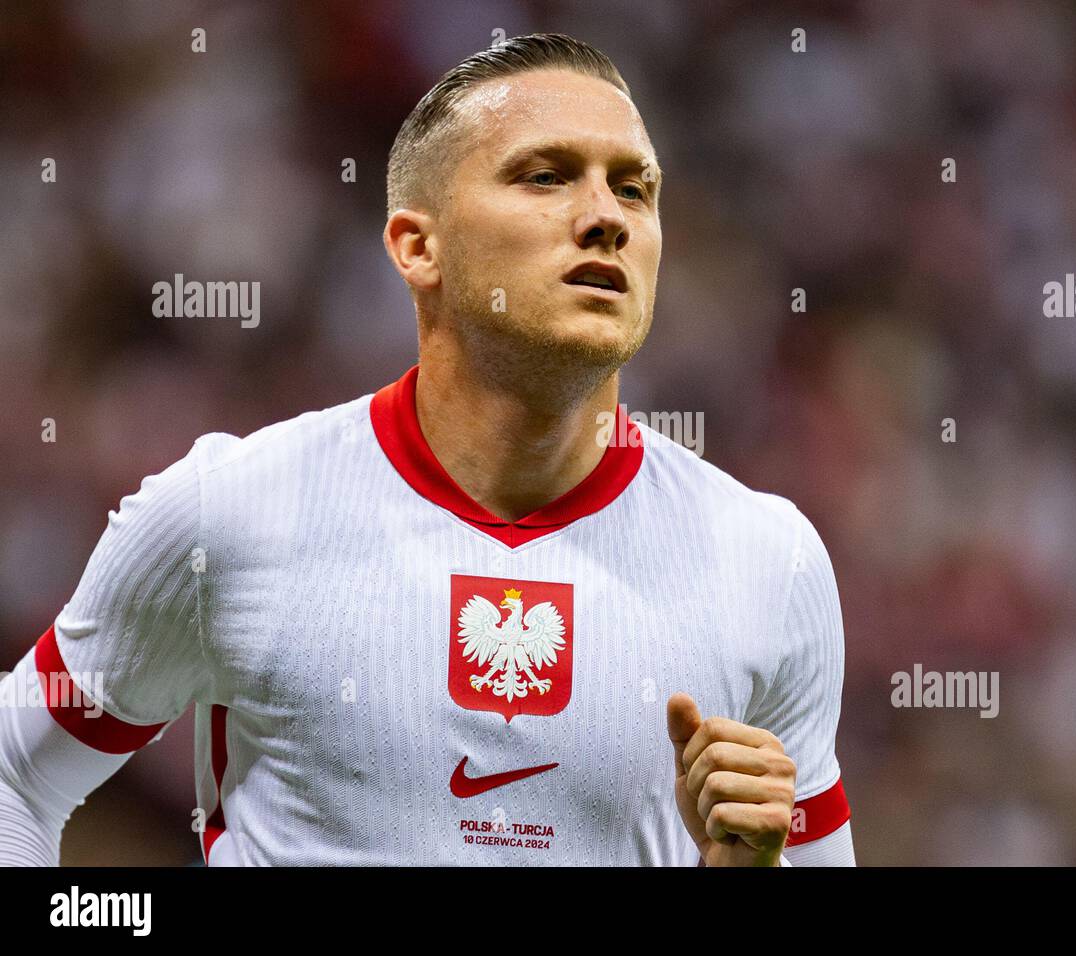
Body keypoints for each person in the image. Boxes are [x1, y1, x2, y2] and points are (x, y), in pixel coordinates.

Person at [0, 33, 853, 866]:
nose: (606, 218)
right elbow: (16, 776)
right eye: (546, 176)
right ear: (418, 246)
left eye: (635, 189)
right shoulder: (227, 512)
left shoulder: (767, 561)